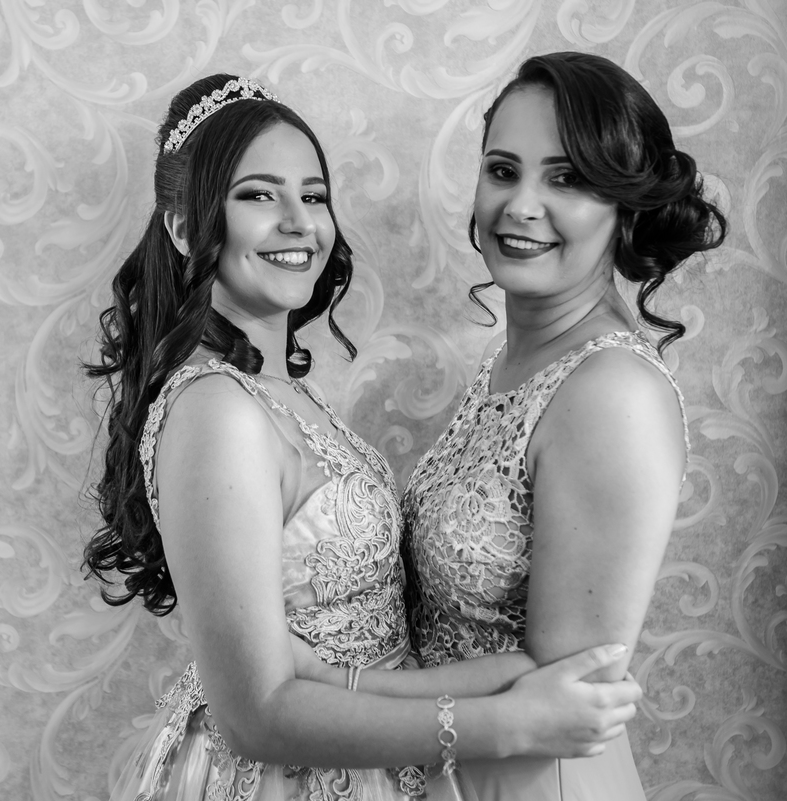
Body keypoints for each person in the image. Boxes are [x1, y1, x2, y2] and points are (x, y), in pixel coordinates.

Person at [85, 73, 645, 801]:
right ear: (185, 228)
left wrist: (362, 681)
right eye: (258, 196)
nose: (299, 222)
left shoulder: (281, 391)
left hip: (372, 757)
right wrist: (503, 722)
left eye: (313, 196)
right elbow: (255, 714)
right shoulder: (216, 409)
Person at [399, 52, 727, 798]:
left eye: (567, 179)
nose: (521, 205)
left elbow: (566, 675)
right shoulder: (512, 362)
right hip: (453, 760)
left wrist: (333, 688)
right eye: (503, 171)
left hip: (529, 780)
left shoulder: (612, 392)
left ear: (625, 206)